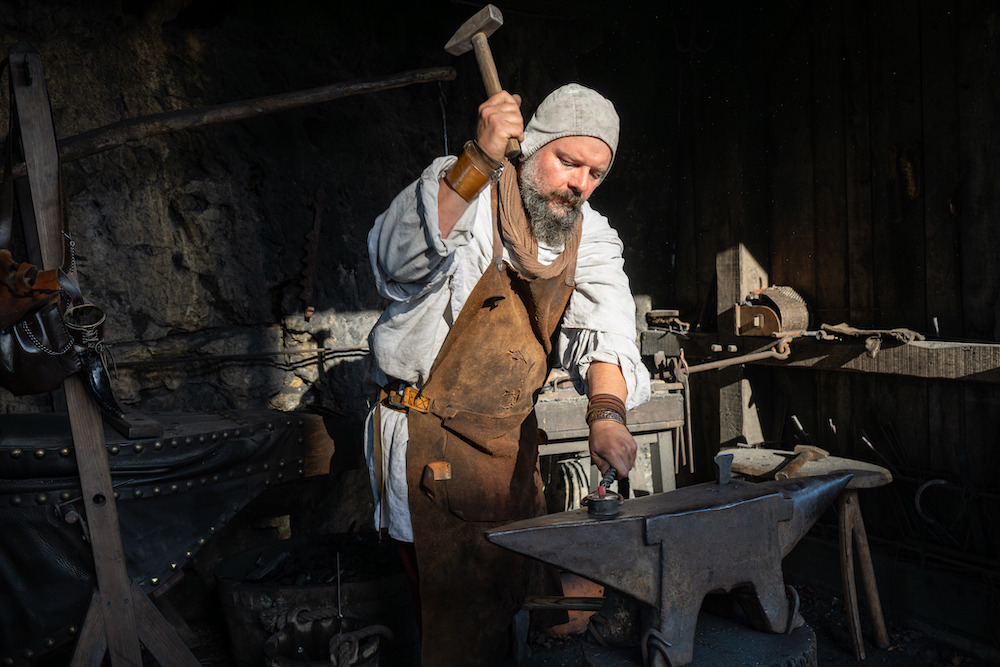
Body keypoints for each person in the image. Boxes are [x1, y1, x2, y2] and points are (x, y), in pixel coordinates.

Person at [364, 83, 651, 666]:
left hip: (506, 449)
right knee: (448, 623)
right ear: (530, 146)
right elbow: (395, 261)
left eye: (595, 173)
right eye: (567, 161)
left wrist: (607, 416)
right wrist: (480, 159)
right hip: (428, 447)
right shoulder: (467, 187)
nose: (579, 184)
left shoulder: (587, 233)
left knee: (500, 609)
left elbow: (608, 327)